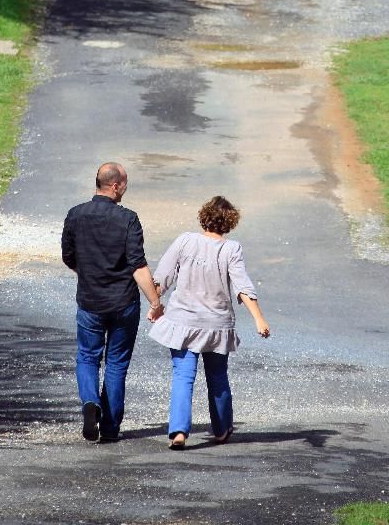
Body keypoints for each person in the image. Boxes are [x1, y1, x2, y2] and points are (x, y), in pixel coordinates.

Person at [147, 195, 269, 449]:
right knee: (217, 375)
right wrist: (259, 318)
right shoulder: (231, 249)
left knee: (183, 375)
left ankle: (179, 431)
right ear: (230, 223)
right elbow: (242, 286)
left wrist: (155, 305)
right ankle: (223, 428)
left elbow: (163, 276)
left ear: (204, 217)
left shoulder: (185, 241)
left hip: (183, 321)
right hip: (217, 324)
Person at [61, 162, 163, 443]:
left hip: (90, 301)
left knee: (87, 356)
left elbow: (68, 256)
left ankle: (90, 403)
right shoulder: (128, 219)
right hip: (123, 304)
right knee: (116, 363)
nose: (125, 190)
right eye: (125, 184)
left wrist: (90, 274)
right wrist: (155, 302)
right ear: (115, 185)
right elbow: (137, 266)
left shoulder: (75, 215)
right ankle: (109, 428)